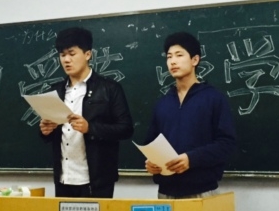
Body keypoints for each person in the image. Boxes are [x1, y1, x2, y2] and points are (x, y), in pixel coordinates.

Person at [40, 27, 133, 198]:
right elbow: (54, 136)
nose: (66, 60)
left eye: (72, 54)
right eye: (62, 55)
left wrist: (90, 128)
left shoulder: (109, 88)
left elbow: (126, 128)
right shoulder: (56, 91)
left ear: (88, 54)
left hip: (97, 180)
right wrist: (46, 131)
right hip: (63, 177)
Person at [144, 31, 236, 199]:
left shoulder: (213, 98)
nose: (173, 61)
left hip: (202, 191)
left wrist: (191, 159)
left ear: (195, 60)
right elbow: (151, 142)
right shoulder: (163, 103)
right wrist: (151, 163)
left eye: (179, 55)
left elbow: (226, 144)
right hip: (165, 192)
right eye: (169, 57)